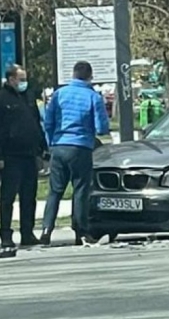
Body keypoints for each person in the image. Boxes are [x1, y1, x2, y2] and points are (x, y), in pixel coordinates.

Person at [41, 61, 110, 246]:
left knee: (55, 191)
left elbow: (48, 122)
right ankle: (80, 231)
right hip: (81, 147)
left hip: (59, 145)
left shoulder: (59, 94)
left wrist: (51, 143)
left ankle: (46, 229)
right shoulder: (93, 97)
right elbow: (102, 127)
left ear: (73, 74)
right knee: (80, 190)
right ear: (90, 76)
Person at [0, 64, 47, 257]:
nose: (24, 83)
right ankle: (6, 234)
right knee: (8, 198)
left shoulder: (28, 97)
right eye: (21, 79)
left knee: (29, 197)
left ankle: (27, 232)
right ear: (11, 79)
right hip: (10, 156)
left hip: (29, 154)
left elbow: (36, 124)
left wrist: (41, 149)